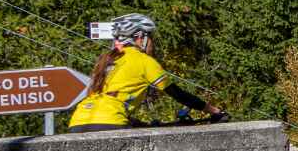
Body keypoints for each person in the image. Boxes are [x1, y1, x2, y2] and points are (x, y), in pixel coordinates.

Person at [68, 14, 223, 133]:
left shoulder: (105, 60)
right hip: (110, 122)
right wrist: (214, 111)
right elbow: (177, 94)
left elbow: (110, 100)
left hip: (77, 122)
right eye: (151, 38)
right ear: (141, 38)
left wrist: (140, 124)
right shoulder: (143, 60)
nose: (152, 43)